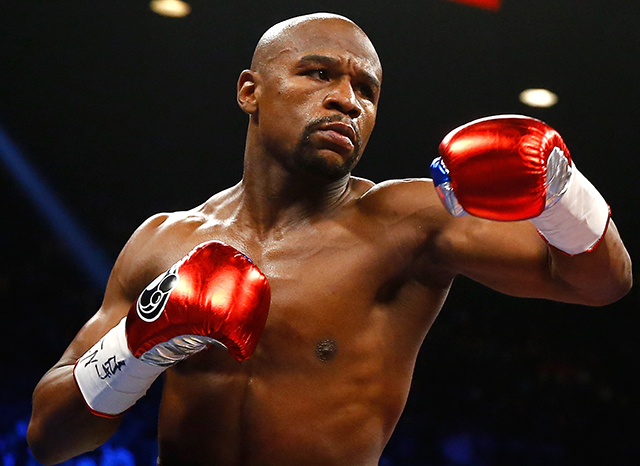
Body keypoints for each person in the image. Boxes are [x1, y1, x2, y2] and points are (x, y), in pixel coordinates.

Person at [27, 12, 632, 466]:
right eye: (318, 74)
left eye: (367, 90)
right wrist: (138, 346)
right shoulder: (165, 240)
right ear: (250, 91)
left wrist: (562, 191)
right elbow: (49, 439)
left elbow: (600, 284)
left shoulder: (408, 222)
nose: (347, 101)